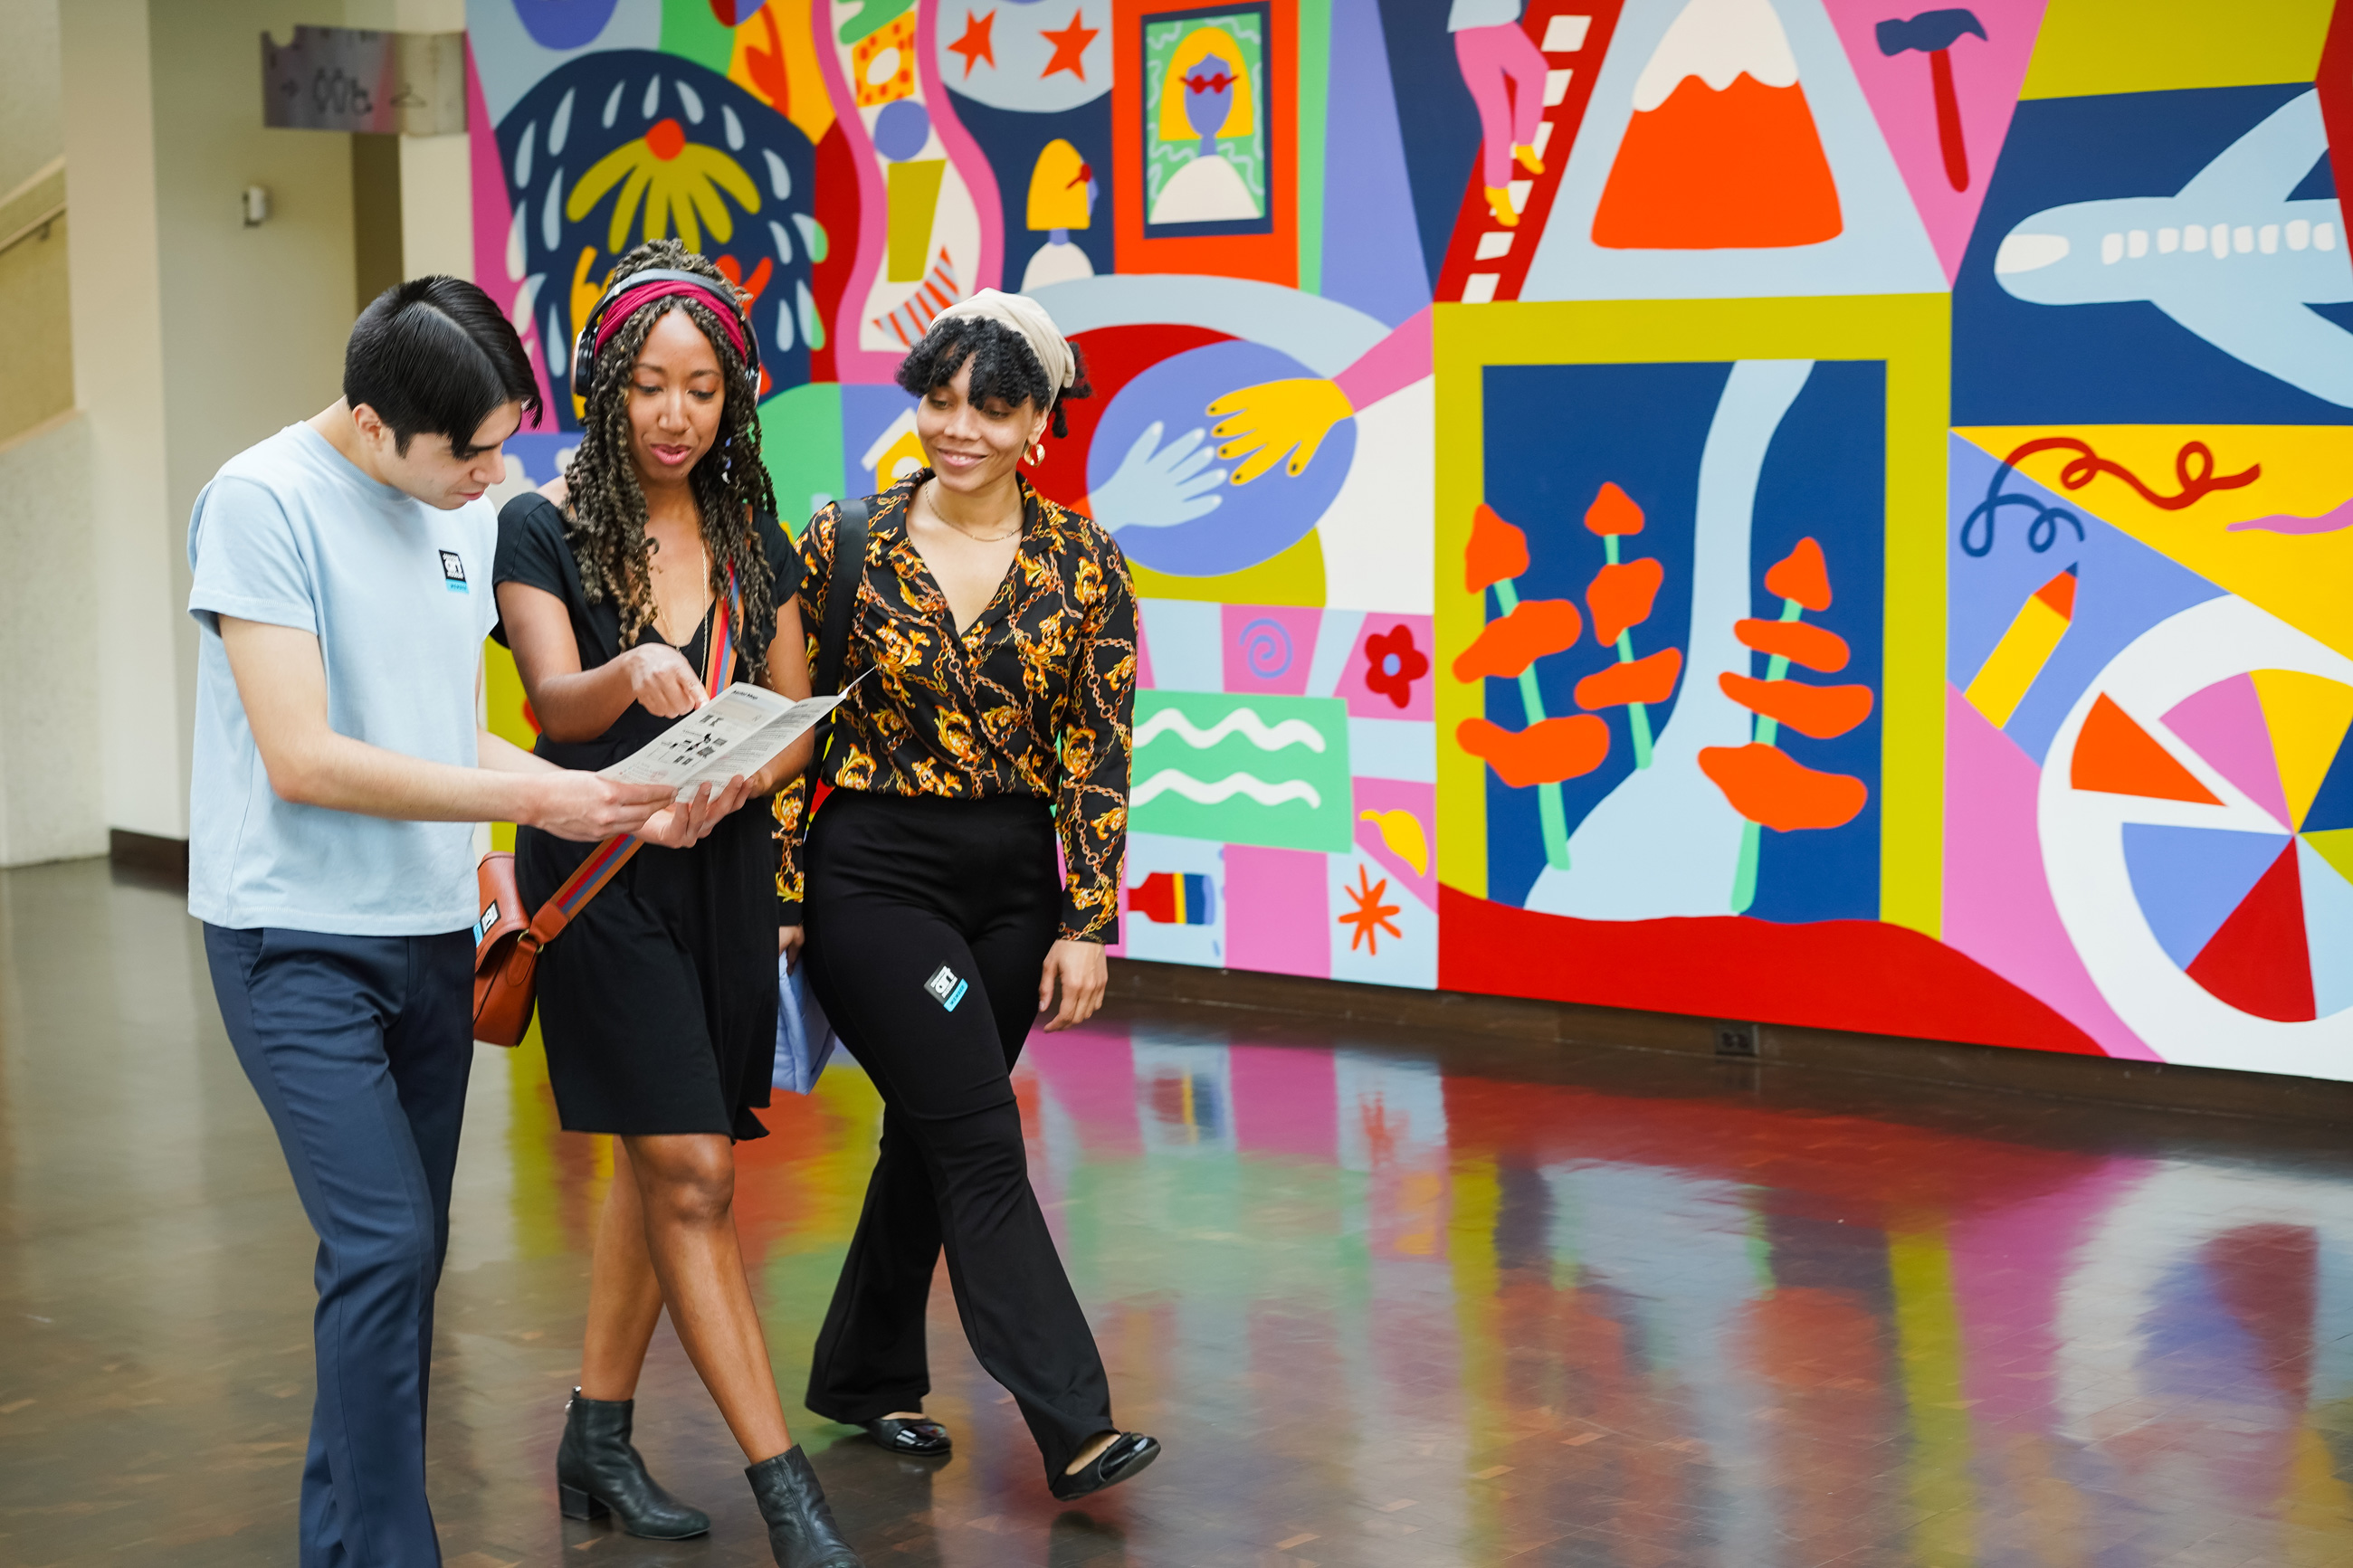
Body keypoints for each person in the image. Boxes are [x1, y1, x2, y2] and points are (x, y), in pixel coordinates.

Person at [188, 277, 688, 1568]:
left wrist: (589, 804)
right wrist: (540, 794)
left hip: (426, 933)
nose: (496, 472)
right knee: (384, 1239)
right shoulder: (261, 502)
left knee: (396, 1266)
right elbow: (304, 755)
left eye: (506, 438)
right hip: (290, 933)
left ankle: (343, 1547)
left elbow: (424, 726)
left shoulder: (464, 510)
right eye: (470, 451)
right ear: (369, 423)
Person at [491, 241, 859, 1568]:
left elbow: (793, 722)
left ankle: (596, 1432)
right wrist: (632, 663)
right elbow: (554, 702)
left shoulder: (755, 530)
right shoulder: (540, 525)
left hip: (718, 871)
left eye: (701, 388)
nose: (673, 413)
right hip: (596, 872)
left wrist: (740, 777)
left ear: (733, 396)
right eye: (649, 384)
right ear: (606, 383)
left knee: (663, 1148)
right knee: (695, 1171)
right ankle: (790, 1497)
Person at [778, 290, 1160, 1500]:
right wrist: (785, 892)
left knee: (935, 1132)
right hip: (873, 868)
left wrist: (1088, 915)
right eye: (941, 400)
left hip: (1012, 880)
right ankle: (1074, 1418)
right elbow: (790, 731)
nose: (961, 428)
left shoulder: (1084, 561)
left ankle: (862, 1372)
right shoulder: (842, 541)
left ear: (1040, 421)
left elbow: (1099, 746)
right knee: (981, 1133)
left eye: (994, 406)